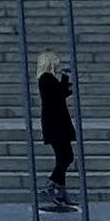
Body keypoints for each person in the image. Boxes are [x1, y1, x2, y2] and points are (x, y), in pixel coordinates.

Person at [32, 53, 78, 212]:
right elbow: (59, 94)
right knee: (66, 157)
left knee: (63, 157)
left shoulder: (48, 78)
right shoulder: (46, 78)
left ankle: (61, 193)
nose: (58, 64)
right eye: (56, 61)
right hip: (55, 123)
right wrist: (65, 79)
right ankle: (51, 184)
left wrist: (67, 84)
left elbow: (61, 94)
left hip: (57, 122)